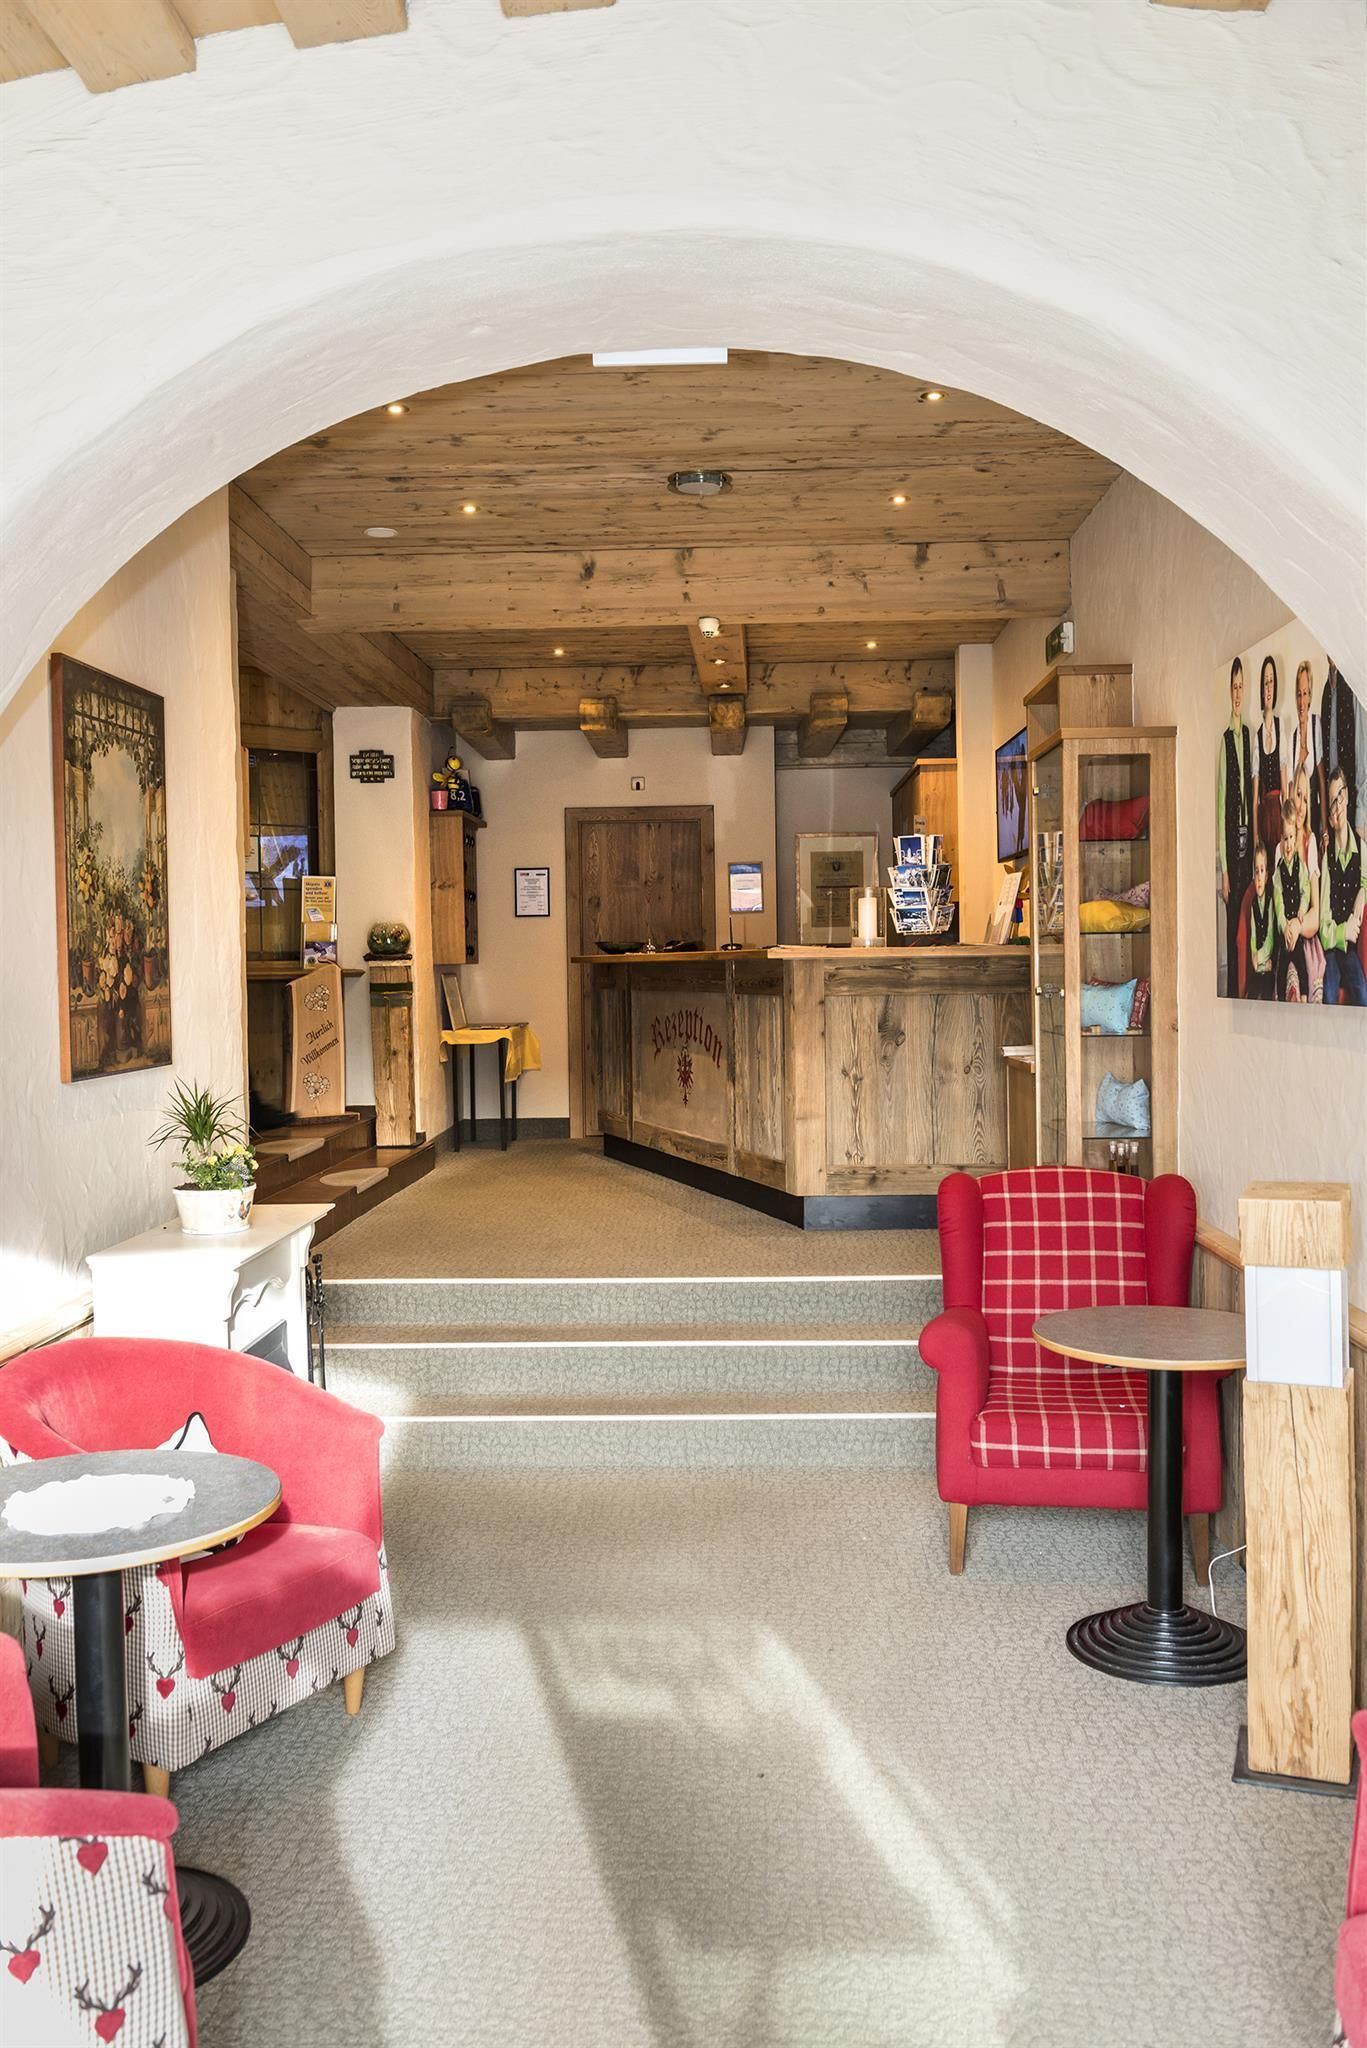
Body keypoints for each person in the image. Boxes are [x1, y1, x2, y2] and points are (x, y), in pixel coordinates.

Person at [1217, 656, 1253, 998]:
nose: (1238, 693)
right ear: (1229, 691)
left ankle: (1247, 988)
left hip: (1248, 843)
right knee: (1232, 925)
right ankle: (1231, 992)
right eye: (1234, 687)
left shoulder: (1250, 737)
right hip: (1231, 843)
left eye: (1242, 687)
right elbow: (1220, 809)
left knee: (1248, 920)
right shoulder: (1226, 740)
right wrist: (1225, 870)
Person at [1320, 763, 1367, 1006]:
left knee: (1363, 994)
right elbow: (1323, 924)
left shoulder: (1361, 848)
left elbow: (1366, 879)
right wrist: (1343, 931)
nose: (1336, 806)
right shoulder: (1327, 857)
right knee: (1328, 995)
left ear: (1347, 796)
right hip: (1331, 949)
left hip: (1350, 951)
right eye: (1331, 801)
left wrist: (1363, 892)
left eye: (1339, 796)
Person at [1292, 761, 1326, 1001]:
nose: (1301, 805)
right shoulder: (1281, 847)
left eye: (1306, 799)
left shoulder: (1310, 842)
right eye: (1298, 795)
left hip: (1304, 938)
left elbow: (1316, 916)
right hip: (1286, 938)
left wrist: (1297, 926)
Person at [1321, 660, 1366, 840]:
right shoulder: (1325, 693)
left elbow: (1363, 757)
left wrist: (1361, 816)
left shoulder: (1353, 683)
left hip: (1353, 810)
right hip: (1334, 817)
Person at [1273, 798, 1312, 1001]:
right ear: (1281, 840)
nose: (1288, 844)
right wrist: (1284, 926)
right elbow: (1278, 902)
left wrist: (1302, 910)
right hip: (1285, 930)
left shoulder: (1301, 866)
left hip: (1296, 926)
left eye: (1291, 837)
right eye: (1285, 839)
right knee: (1280, 967)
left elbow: (1306, 890)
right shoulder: (1278, 871)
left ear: (1296, 838)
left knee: (1302, 964)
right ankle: (1281, 998)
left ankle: (1304, 997)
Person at [1286, 658, 1327, 848]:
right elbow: (1290, 794)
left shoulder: (1316, 725)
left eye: (1305, 694)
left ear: (1310, 696)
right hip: (1298, 829)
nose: (1302, 702)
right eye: (1298, 694)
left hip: (1316, 824)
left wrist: (1324, 829)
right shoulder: (1292, 738)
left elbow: (1322, 783)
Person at [1254, 655, 1285, 856]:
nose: (1268, 687)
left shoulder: (1281, 728)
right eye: (1265, 682)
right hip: (1265, 815)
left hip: (1279, 813)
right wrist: (1256, 836)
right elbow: (1255, 797)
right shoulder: (1257, 736)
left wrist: (1287, 824)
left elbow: (1285, 787)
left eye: (1271, 681)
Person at [1244, 840, 1276, 999]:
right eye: (1256, 871)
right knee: (1251, 995)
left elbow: (1270, 936)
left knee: (1266, 994)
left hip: (1269, 964)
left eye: (1262, 871)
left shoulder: (1270, 902)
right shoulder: (1253, 905)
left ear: (1267, 876)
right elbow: (1253, 936)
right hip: (1258, 966)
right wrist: (1253, 956)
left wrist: (1261, 957)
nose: (1258, 877)